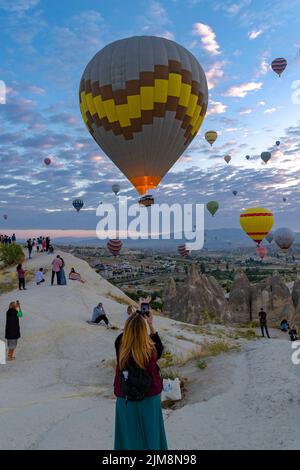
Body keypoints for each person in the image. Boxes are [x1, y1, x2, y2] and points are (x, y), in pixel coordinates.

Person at [114, 310, 168, 450]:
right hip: (150, 397)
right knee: (152, 436)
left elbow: (124, 336)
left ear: (126, 329)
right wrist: (150, 324)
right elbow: (160, 348)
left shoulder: (120, 345)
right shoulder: (151, 348)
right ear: (143, 330)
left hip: (125, 398)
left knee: (128, 438)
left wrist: (135, 316)